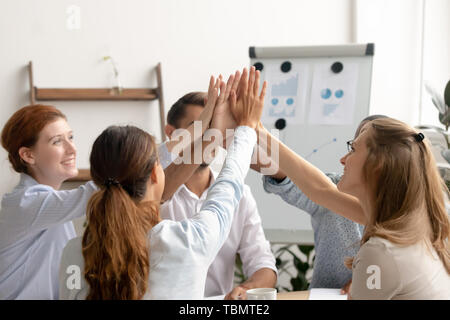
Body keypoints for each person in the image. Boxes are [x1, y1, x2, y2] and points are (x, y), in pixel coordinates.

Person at [58, 67, 268, 299]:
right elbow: (229, 186)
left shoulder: (74, 254)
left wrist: (208, 132)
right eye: (159, 162)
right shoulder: (186, 243)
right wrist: (246, 127)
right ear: (156, 176)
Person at [249, 116, 450, 299]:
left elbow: (322, 190)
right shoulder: (414, 225)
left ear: (377, 166)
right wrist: (258, 130)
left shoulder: (381, 251)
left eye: (353, 149)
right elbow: (321, 189)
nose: (343, 159)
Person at [160, 91, 277, 299]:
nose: (211, 135)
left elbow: (263, 263)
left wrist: (247, 289)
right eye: (200, 126)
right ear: (171, 133)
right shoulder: (153, 195)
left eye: (215, 126)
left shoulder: (240, 195)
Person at [257, 115, 387, 289]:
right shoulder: (333, 188)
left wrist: (368, 279)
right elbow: (289, 174)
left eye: (354, 149)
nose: (343, 159)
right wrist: (245, 132)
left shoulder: (405, 215)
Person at [0, 105, 97, 299]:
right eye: (57, 141)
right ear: (28, 155)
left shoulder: (50, 206)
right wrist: (162, 153)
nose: (72, 149)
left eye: (71, 137)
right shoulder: (27, 202)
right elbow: (95, 192)